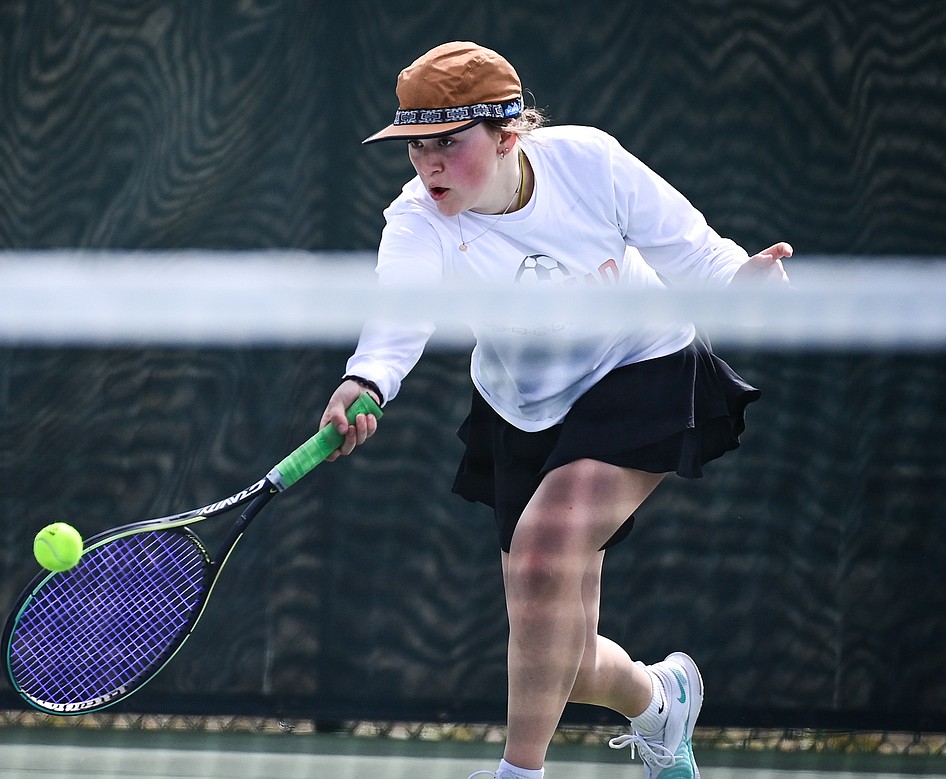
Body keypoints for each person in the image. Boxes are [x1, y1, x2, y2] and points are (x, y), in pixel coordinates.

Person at [320, 41, 791, 779]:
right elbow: (397, 315)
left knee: (542, 552)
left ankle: (518, 773)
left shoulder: (589, 164)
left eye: (449, 142)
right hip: (523, 409)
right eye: (416, 146)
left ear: (509, 136)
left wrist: (742, 278)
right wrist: (367, 381)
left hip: (641, 369)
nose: (429, 163)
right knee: (556, 662)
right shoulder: (418, 220)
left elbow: (698, 254)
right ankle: (659, 696)